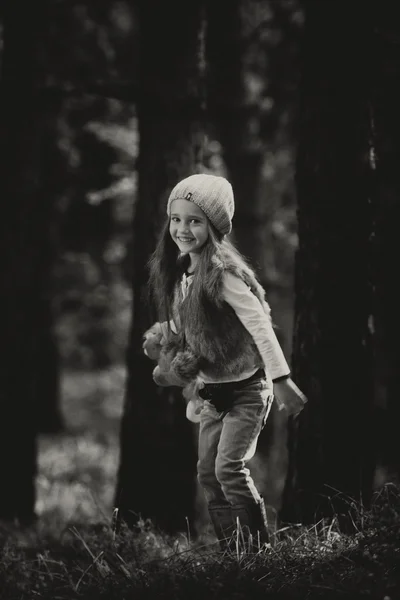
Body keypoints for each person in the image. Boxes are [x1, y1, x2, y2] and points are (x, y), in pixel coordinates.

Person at [144, 173, 307, 551]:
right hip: (211, 393)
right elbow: (193, 324)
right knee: (207, 473)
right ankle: (234, 553)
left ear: (214, 226)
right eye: (176, 219)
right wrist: (163, 335)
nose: (183, 229)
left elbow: (260, 326)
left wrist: (281, 378)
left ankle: (257, 552)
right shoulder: (183, 273)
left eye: (195, 220)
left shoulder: (224, 275)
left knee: (227, 468)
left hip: (247, 390)